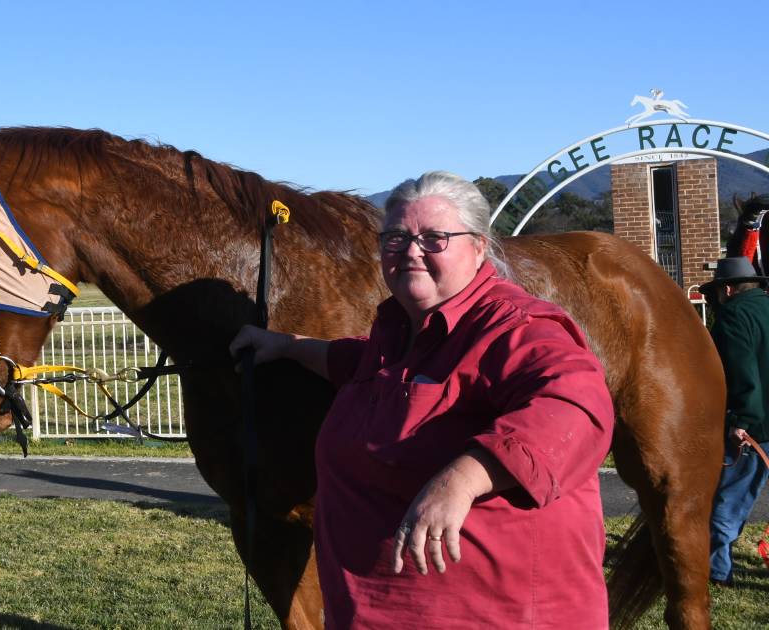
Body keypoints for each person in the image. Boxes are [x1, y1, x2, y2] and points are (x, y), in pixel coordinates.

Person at [230, 171, 614, 627]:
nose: (411, 250)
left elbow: (576, 404)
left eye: (434, 238)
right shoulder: (398, 332)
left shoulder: (517, 328)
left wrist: (465, 477)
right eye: (395, 238)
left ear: (479, 247)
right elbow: (368, 369)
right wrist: (291, 346)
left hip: (496, 616)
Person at [703, 256, 769, 587]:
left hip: (756, 428)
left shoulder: (732, 316)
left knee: (726, 503)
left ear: (727, 289)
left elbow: (744, 373)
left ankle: (716, 574)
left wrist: (741, 419)